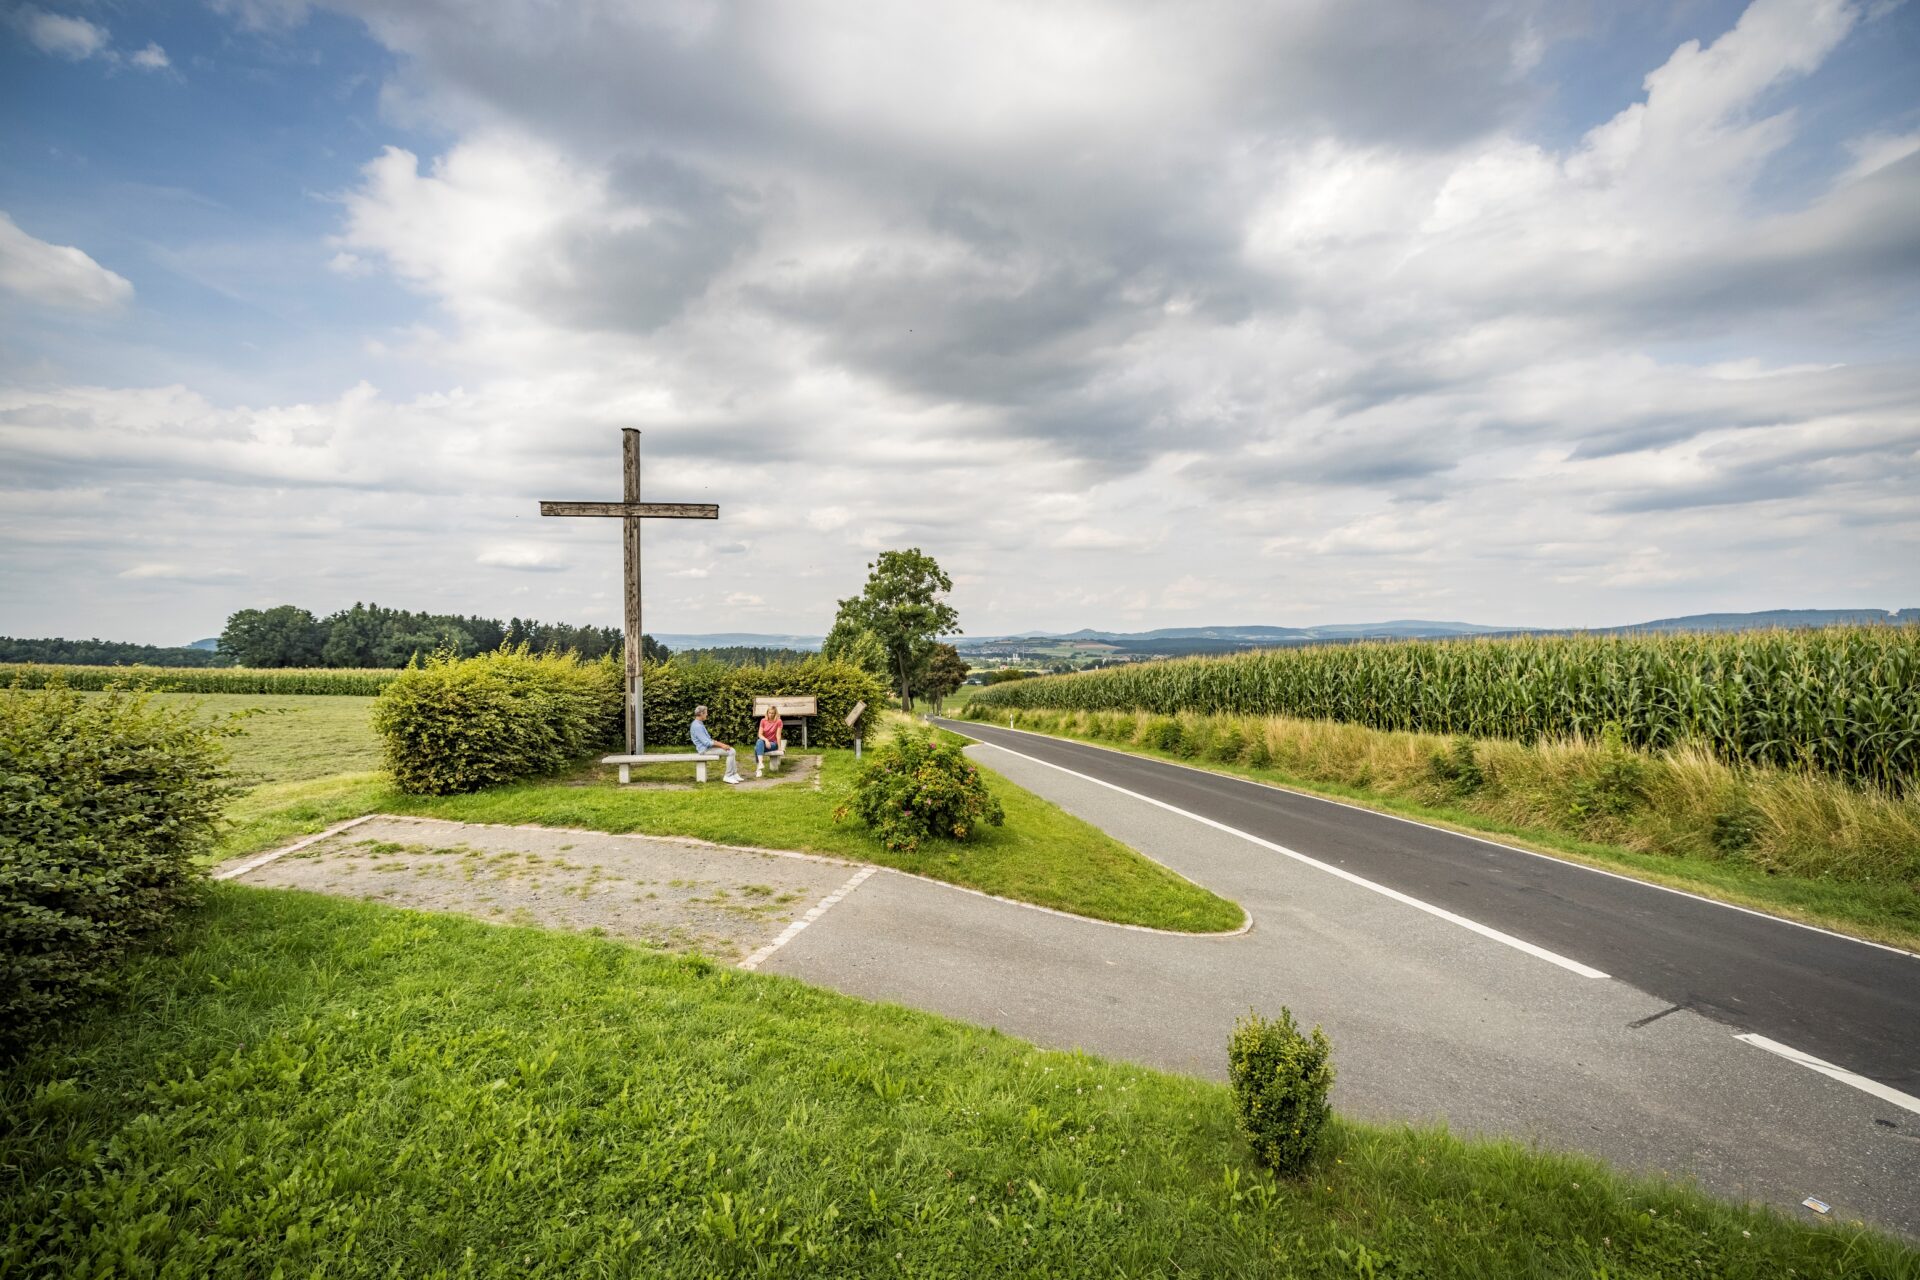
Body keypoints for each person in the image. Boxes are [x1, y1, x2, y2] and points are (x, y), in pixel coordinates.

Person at [689, 705, 743, 784]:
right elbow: (707, 743)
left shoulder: (699, 723)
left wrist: (722, 745)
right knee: (731, 751)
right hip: (704, 750)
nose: (707, 714)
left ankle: (734, 774)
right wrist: (722, 745)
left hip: (707, 748)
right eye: (706, 713)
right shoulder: (697, 726)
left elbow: (708, 740)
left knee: (731, 750)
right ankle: (728, 776)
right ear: (701, 714)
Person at [754, 705, 784, 777]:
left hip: (773, 744)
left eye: (773, 713)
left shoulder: (778, 721)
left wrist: (779, 747)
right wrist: (766, 740)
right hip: (765, 742)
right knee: (759, 742)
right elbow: (760, 734)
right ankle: (761, 763)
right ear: (767, 713)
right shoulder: (763, 721)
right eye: (769, 713)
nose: (771, 714)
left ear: (775, 713)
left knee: (756, 748)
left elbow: (778, 735)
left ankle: (758, 769)